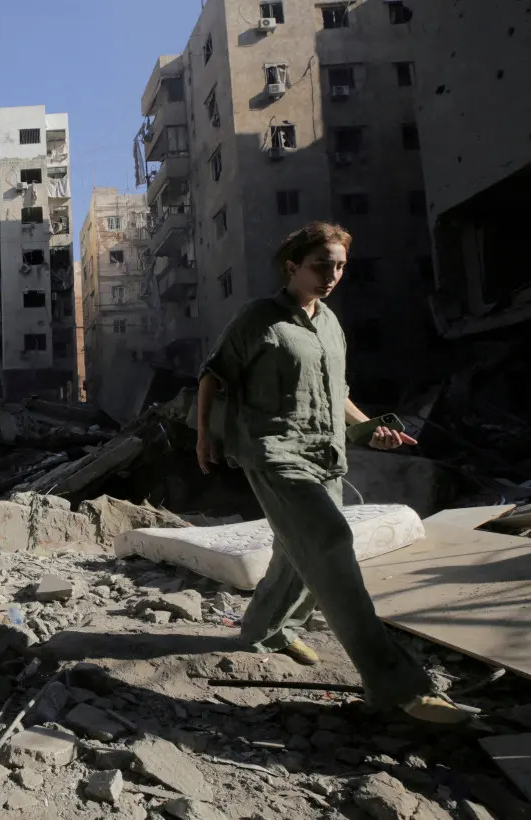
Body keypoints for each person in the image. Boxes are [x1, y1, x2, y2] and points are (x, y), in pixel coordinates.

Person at [195, 221, 467, 724]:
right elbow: (213, 374)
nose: (333, 275)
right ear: (292, 266)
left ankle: (265, 630)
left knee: (295, 551)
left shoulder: (330, 324)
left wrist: (369, 430)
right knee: (330, 544)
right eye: (322, 265)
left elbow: (336, 393)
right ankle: (396, 685)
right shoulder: (259, 319)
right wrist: (204, 434)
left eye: (340, 266)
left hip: (325, 454)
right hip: (273, 453)